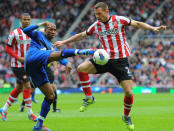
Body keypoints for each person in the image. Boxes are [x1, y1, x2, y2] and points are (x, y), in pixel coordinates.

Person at [54, 2, 167, 130]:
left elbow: (137, 23)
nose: (97, 16)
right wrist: (64, 41)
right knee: (80, 68)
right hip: (104, 58)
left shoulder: (119, 20)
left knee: (129, 93)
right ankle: (89, 97)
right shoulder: (96, 26)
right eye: (96, 14)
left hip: (120, 61)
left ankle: (126, 116)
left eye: (99, 14)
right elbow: (81, 35)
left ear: (107, 11)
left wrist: (153, 28)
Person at [23, 21, 95, 130]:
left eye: (54, 30)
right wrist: (41, 24)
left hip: (37, 69)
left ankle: (39, 124)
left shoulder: (51, 46)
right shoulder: (38, 34)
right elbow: (25, 30)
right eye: (50, 29)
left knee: (50, 96)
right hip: (32, 58)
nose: (52, 32)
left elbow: (58, 56)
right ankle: (83, 51)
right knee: (59, 53)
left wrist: (67, 63)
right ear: (45, 30)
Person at [0, 13, 38, 122]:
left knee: (19, 88)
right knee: (27, 85)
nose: (27, 21)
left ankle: (4, 109)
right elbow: (7, 49)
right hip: (17, 64)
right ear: (21, 21)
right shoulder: (15, 33)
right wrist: (18, 57)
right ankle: (30, 113)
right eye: (25, 19)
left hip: (29, 64)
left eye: (28, 19)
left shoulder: (34, 33)